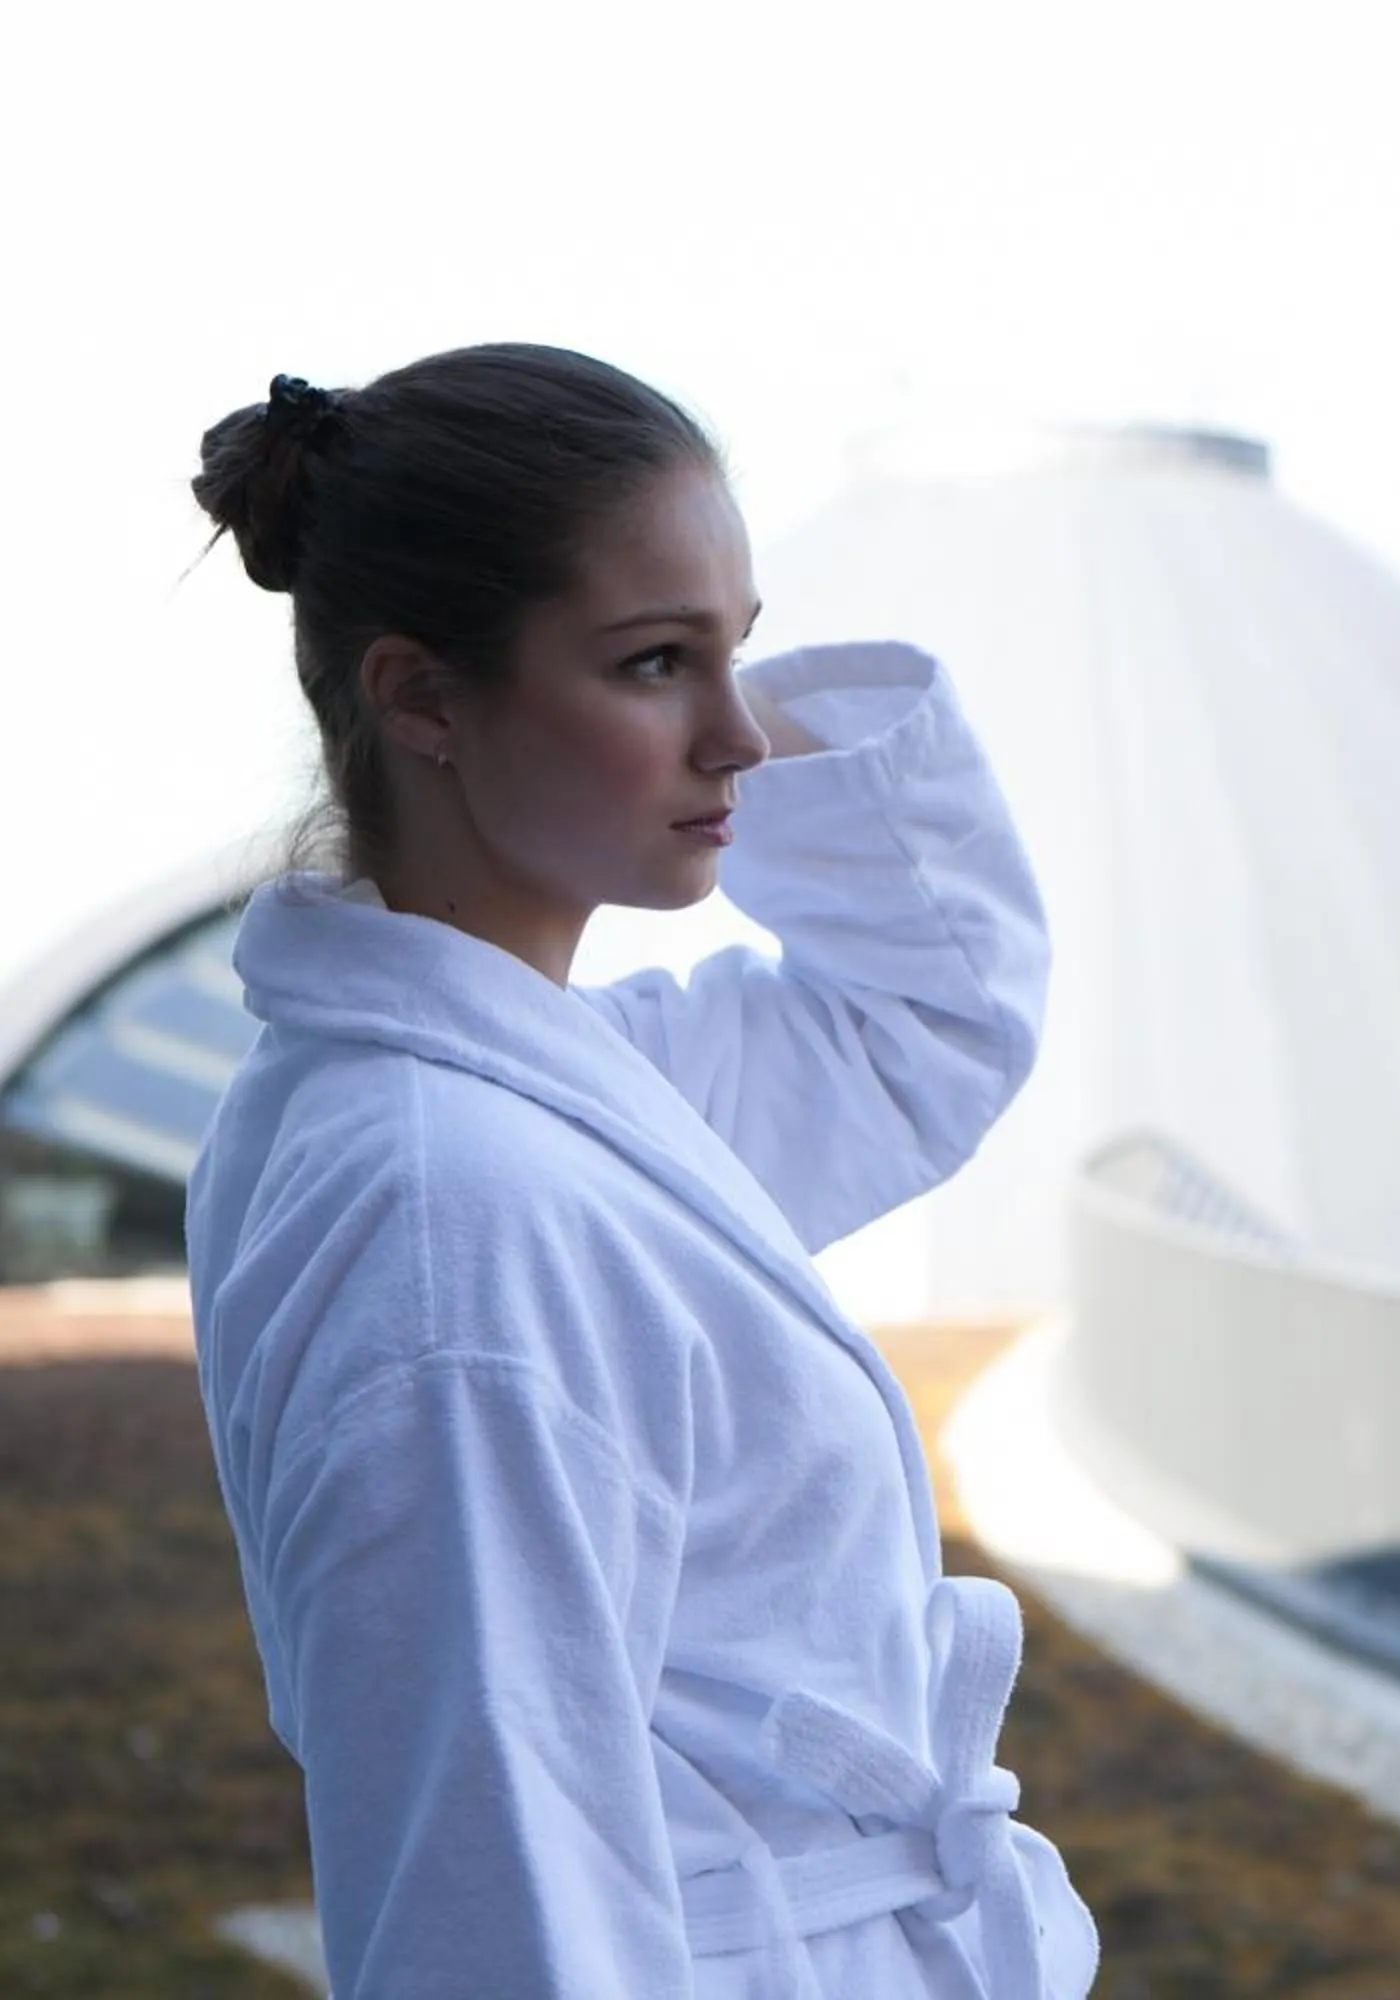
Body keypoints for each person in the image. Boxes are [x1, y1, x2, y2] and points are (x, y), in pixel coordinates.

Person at [181, 344, 1097, 1999]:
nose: (740, 740)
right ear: (422, 695)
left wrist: (709, 660)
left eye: (735, 650)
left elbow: (926, 1022)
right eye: (655, 664)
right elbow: (490, 1869)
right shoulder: (456, 1216)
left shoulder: (551, 1088)